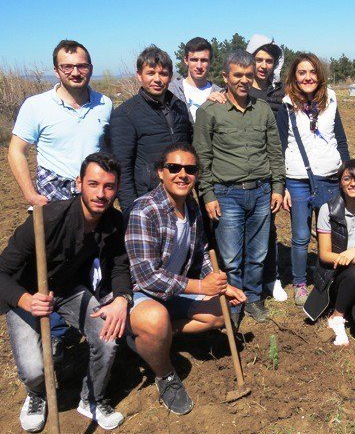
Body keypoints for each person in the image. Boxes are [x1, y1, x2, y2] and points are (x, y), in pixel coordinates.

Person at [0, 153, 131, 432]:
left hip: (70, 290)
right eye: (93, 184)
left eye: (109, 186)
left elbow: (120, 264)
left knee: (107, 338)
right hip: (27, 294)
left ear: (116, 189)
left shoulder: (113, 222)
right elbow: (2, 272)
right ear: (79, 183)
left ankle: (92, 398)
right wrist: (25, 300)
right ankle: (36, 395)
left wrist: (122, 298)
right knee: (35, 369)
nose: (100, 194)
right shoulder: (46, 219)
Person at [8, 39, 113, 362]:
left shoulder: (104, 104)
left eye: (81, 66)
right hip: (54, 195)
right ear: (57, 70)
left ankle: (89, 328)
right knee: (51, 267)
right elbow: (16, 150)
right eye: (67, 67)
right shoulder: (37, 105)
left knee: (90, 260)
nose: (75, 72)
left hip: (93, 194)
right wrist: (31, 195)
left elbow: (108, 150)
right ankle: (53, 337)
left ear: (90, 68)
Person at [126, 143, 245, 415]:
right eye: (174, 168)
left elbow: (202, 253)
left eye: (190, 169)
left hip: (175, 289)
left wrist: (220, 285)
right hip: (142, 293)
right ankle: (165, 373)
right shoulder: (144, 210)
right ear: (160, 172)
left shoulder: (191, 208)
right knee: (154, 320)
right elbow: (147, 277)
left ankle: (159, 337)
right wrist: (202, 286)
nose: (182, 175)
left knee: (226, 311)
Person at [194, 50, 285, 325]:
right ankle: (234, 304)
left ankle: (254, 297)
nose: (244, 80)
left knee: (258, 253)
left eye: (248, 74)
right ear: (225, 77)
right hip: (227, 193)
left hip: (260, 191)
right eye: (237, 75)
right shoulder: (210, 111)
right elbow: (202, 157)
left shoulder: (263, 109)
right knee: (231, 256)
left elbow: (274, 151)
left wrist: (278, 187)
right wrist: (207, 194)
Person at [276, 53, 350, 306]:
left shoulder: (331, 100)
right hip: (298, 179)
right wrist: (283, 184)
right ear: (294, 77)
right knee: (300, 235)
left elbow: (339, 137)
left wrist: (345, 168)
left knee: (330, 232)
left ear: (319, 75)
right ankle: (299, 283)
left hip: (330, 178)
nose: (307, 77)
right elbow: (279, 145)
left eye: (312, 72)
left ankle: (327, 278)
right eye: (301, 73)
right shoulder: (286, 106)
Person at [109, 45, 193, 220]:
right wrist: (130, 211)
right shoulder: (126, 114)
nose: (157, 79)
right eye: (151, 73)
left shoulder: (179, 107)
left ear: (170, 76)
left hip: (181, 196)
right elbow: (122, 168)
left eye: (163, 73)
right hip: (147, 200)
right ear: (139, 75)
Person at [246, 35, 288, 302]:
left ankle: (271, 277)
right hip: (244, 166)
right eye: (258, 59)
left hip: (270, 167)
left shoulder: (280, 92)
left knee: (268, 226)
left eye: (268, 60)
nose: (263, 65)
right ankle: (246, 279)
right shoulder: (239, 88)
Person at [313, 159, 355, 345]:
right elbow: (324, 254)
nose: (353, 183)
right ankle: (336, 316)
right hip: (337, 272)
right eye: (347, 179)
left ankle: (350, 306)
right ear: (340, 182)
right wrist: (346, 256)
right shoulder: (328, 210)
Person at [168, 36, 223, 122]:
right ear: (186, 60)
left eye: (204, 60)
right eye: (194, 60)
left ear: (210, 62)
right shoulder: (171, 91)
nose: (199, 66)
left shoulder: (220, 94)